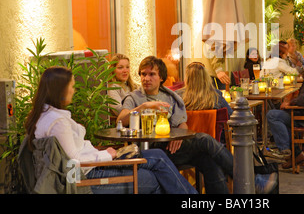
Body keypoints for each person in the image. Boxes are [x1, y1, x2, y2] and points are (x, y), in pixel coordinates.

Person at [24, 66, 197, 194]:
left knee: (158, 156)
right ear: (59, 90)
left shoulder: (45, 115)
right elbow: (74, 162)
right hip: (88, 177)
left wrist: (105, 154)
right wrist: (107, 155)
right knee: (153, 178)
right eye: (71, 86)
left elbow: (71, 156)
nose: (74, 90)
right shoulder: (58, 122)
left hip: (93, 165)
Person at [120, 56, 234, 194]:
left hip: (170, 147)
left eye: (152, 74)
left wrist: (179, 136)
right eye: (143, 74)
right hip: (149, 150)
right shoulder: (133, 97)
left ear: (161, 77)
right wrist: (143, 106)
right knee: (204, 139)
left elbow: (182, 124)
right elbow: (121, 119)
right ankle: (245, 176)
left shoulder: (170, 97)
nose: (146, 78)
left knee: (208, 159)